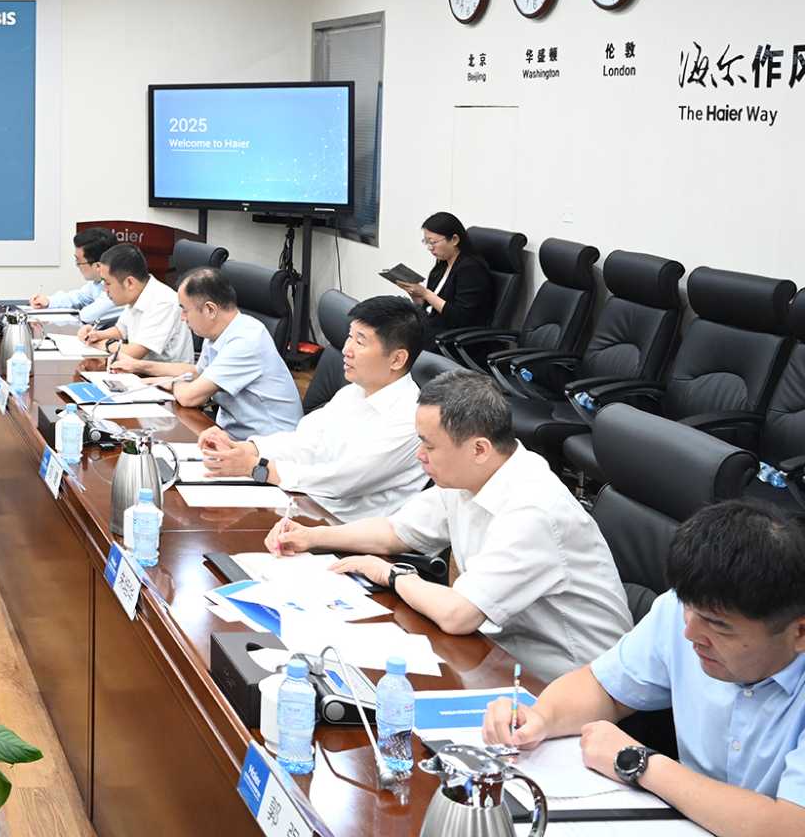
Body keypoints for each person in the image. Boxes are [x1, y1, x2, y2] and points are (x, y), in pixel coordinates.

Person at [265, 369, 629, 682]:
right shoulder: (471, 475)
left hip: (570, 681)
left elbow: (458, 614)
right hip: (500, 652)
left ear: (479, 449)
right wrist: (312, 536)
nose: (419, 455)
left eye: (429, 446)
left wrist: (392, 574)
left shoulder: (533, 508)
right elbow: (395, 532)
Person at [482, 502, 805, 835]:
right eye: (688, 609)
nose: (690, 633)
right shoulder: (684, 611)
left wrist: (637, 763)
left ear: (799, 633)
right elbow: (603, 687)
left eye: (718, 625)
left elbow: (790, 826)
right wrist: (541, 718)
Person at [195, 294, 417, 515]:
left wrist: (254, 466)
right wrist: (244, 449)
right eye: (349, 337)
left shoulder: (410, 419)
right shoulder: (354, 392)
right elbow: (305, 442)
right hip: (305, 505)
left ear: (397, 359)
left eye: (360, 342)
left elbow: (339, 481)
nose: (346, 350)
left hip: (344, 526)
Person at [120, 267, 301, 439]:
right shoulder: (217, 331)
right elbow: (198, 373)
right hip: (233, 434)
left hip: (268, 444)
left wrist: (169, 383)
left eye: (185, 309)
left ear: (210, 310)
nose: (182, 318)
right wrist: (140, 366)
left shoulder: (246, 340)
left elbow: (190, 397)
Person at [76, 243, 192, 364]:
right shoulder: (137, 293)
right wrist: (96, 335)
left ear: (129, 283)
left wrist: (101, 344)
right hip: (139, 370)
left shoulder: (163, 302)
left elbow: (133, 353)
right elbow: (121, 330)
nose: (105, 289)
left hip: (164, 374)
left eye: (107, 283)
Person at [395, 211, 494, 336]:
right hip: (432, 326)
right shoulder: (442, 264)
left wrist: (426, 293)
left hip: (451, 336)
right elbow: (430, 308)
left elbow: (461, 318)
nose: (430, 248)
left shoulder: (471, 269)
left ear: (454, 240)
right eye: (426, 242)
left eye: (433, 242)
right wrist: (416, 295)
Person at [28, 227, 124, 327]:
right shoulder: (98, 282)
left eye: (79, 261)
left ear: (98, 266)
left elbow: (87, 316)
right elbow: (79, 297)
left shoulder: (119, 287)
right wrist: (48, 301)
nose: (77, 265)